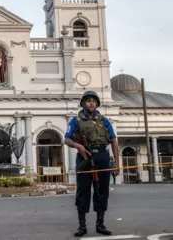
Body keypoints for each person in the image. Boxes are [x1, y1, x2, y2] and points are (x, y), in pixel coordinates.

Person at [64, 90, 120, 237]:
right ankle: (82, 226)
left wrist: (117, 164)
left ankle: (100, 224)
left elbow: (114, 141)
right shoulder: (75, 121)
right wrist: (78, 146)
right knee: (83, 191)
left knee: (102, 191)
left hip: (102, 156)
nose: (91, 103)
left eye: (94, 101)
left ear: (97, 104)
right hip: (85, 157)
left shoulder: (104, 121)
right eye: (88, 101)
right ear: (83, 103)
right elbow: (67, 139)